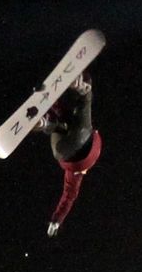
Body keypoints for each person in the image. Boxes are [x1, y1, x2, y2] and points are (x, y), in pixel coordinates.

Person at [42, 77, 101, 236]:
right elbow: (69, 197)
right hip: (75, 151)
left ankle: (84, 90)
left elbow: (64, 111)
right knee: (59, 150)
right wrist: (56, 220)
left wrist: (50, 100)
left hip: (87, 135)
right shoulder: (75, 175)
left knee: (82, 105)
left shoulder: (72, 120)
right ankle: (46, 124)